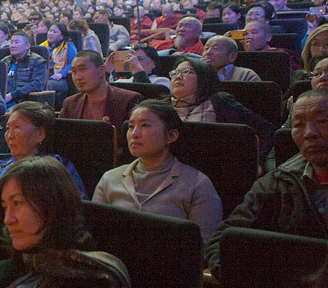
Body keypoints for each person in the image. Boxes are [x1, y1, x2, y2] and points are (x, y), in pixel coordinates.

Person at [205, 89, 328, 280]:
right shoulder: (278, 182)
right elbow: (223, 241)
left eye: (322, 121)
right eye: (298, 125)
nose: (309, 133)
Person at [0, 156, 130, 288]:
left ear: (53, 204)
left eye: (17, 203)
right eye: (5, 207)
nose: (8, 219)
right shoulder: (1, 275)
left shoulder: (97, 277)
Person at [93, 100, 222, 242]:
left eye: (145, 125)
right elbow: (94, 236)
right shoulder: (109, 178)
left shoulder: (198, 184)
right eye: (131, 126)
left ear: (171, 136)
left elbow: (202, 248)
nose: (134, 134)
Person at [0, 102, 87, 198]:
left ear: (40, 134)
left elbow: (77, 208)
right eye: (8, 129)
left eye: (16, 127)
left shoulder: (57, 166)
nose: (9, 135)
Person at [168, 57, 274, 165]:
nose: (178, 77)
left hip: (214, 165)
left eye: (187, 72)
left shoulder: (219, 102)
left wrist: (259, 161)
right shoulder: (162, 106)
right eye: (175, 73)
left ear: (204, 77)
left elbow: (265, 129)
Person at [61, 50, 143, 136]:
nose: (78, 77)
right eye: (74, 71)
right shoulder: (70, 103)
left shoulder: (128, 100)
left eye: (83, 69)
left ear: (101, 70)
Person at [2, 31, 48, 108]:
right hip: (4, 100)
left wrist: (12, 95)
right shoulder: (4, 62)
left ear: (27, 46)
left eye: (16, 42)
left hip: (26, 102)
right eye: (11, 42)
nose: (12, 46)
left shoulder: (38, 61)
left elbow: (37, 85)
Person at [106, 44, 172, 90]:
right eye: (130, 58)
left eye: (139, 59)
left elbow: (148, 95)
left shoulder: (162, 82)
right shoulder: (120, 82)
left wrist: (137, 68)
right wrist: (106, 71)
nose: (132, 61)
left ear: (154, 63)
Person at [41, 23, 77, 105]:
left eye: (54, 32)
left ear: (62, 35)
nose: (50, 33)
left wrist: (61, 74)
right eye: (50, 31)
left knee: (45, 85)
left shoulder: (68, 46)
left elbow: (73, 63)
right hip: (44, 77)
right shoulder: (43, 46)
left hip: (61, 79)